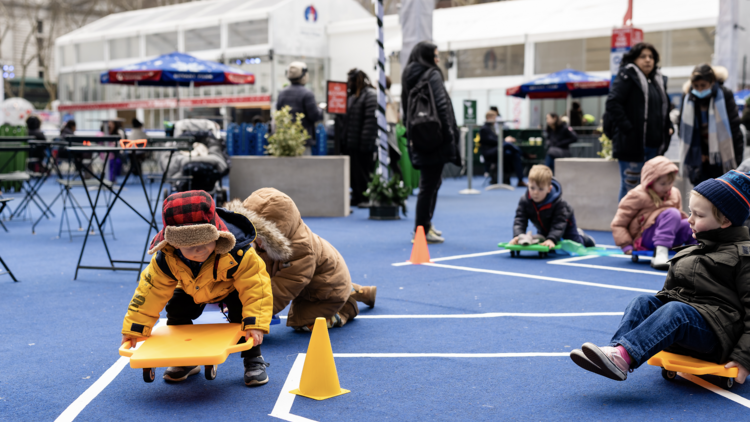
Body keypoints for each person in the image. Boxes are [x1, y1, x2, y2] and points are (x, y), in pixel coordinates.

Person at [570, 170, 750, 385]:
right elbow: (668, 295)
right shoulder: (690, 251)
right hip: (685, 331)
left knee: (677, 311)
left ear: (726, 221)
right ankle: (616, 353)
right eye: (690, 212)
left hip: (719, 338)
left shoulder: (743, 256)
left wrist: (744, 359)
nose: (690, 220)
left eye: (699, 216)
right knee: (642, 302)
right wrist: (656, 315)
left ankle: (623, 357)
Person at [120, 191, 273, 386]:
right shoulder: (166, 259)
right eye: (189, 247)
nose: (198, 250)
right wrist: (135, 328)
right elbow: (149, 292)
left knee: (244, 315)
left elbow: (256, 286)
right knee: (176, 308)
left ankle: (253, 360)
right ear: (174, 244)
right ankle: (185, 360)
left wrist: (255, 323)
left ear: (217, 234)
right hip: (190, 287)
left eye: (204, 243)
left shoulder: (238, 252)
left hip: (229, 287)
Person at [225, 188, 377, 331]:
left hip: (323, 291)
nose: (255, 240)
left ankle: (346, 307)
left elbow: (282, 288)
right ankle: (354, 290)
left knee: (303, 324)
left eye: (260, 235)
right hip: (324, 276)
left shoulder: (300, 250)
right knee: (326, 281)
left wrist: (252, 312)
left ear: (275, 232)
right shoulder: (277, 239)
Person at [401, 41, 461, 244]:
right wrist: (449, 136)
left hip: (419, 135)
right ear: (427, 57)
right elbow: (442, 107)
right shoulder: (432, 74)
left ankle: (425, 225)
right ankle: (421, 230)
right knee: (429, 184)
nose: (438, 59)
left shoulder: (408, 75)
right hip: (436, 135)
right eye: (435, 55)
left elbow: (405, 109)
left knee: (431, 182)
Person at [604, 42, 673, 200]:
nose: (648, 60)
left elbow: (663, 109)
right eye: (643, 57)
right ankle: (625, 224)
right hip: (631, 147)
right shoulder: (627, 76)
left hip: (654, 148)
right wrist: (629, 130)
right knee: (631, 189)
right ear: (633, 59)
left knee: (652, 189)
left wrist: (668, 127)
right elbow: (612, 103)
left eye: (651, 57)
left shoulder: (658, 81)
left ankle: (645, 224)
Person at [611, 156, 694, 270]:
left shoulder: (674, 193)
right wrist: (626, 245)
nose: (668, 187)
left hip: (669, 236)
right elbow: (619, 223)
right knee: (672, 213)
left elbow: (677, 220)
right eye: (663, 183)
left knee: (690, 223)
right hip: (645, 238)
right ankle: (660, 254)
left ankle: (696, 255)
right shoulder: (637, 195)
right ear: (650, 181)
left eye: (670, 183)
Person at [678, 64, 743, 186]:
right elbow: (682, 129)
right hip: (698, 159)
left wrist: (736, 161)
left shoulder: (724, 94)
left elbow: (734, 128)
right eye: (696, 86)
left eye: (703, 85)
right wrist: (700, 155)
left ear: (712, 82)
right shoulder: (688, 96)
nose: (699, 90)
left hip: (722, 158)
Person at [509, 164, 594, 249]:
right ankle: (550, 236)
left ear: (549, 189)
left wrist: (552, 239)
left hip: (565, 223)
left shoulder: (559, 203)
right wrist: (518, 236)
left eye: (540, 189)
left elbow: (559, 224)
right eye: (532, 188)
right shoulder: (525, 201)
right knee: (545, 242)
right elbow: (520, 219)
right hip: (543, 225)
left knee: (576, 245)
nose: (535, 192)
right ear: (528, 185)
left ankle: (584, 237)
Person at [345, 68, 378, 208]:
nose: (347, 84)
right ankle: (358, 197)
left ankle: (366, 198)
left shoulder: (370, 95)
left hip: (364, 144)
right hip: (353, 143)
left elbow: (370, 122)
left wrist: (365, 143)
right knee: (355, 173)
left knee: (364, 173)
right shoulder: (354, 97)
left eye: (349, 81)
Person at [276, 61, 322, 155]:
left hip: (286, 141)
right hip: (303, 141)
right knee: (304, 168)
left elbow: (278, 115)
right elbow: (315, 116)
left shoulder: (282, 93)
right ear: (304, 75)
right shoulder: (307, 94)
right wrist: (320, 109)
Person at [478, 110, 527, 187]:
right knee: (507, 144)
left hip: (497, 151)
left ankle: (520, 180)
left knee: (514, 155)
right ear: (488, 117)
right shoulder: (484, 129)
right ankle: (524, 154)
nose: (495, 119)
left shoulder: (492, 128)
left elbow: (496, 140)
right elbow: (492, 141)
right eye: (494, 117)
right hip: (489, 153)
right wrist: (505, 140)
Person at [385, 76, 402, 179]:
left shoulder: (386, 96)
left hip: (388, 130)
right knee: (393, 162)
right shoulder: (390, 96)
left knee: (393, 161)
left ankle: (400, 183)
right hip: (391, 129)